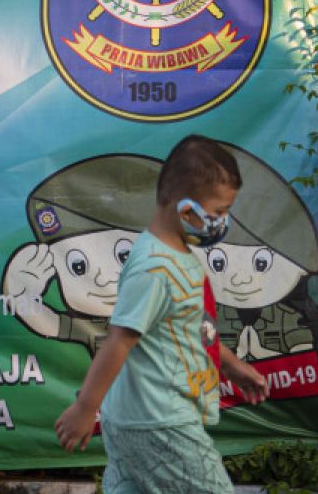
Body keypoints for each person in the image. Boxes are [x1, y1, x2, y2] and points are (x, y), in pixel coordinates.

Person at [54, 135, 270, 494]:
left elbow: (189, 330)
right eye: (217, 213)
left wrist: (231, 367)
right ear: (186, 211)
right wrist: (84, 407)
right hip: (161, 423)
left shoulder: (178, 256)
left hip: (138, 421)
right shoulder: (154, 268)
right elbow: (120, 339)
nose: (223, 222)